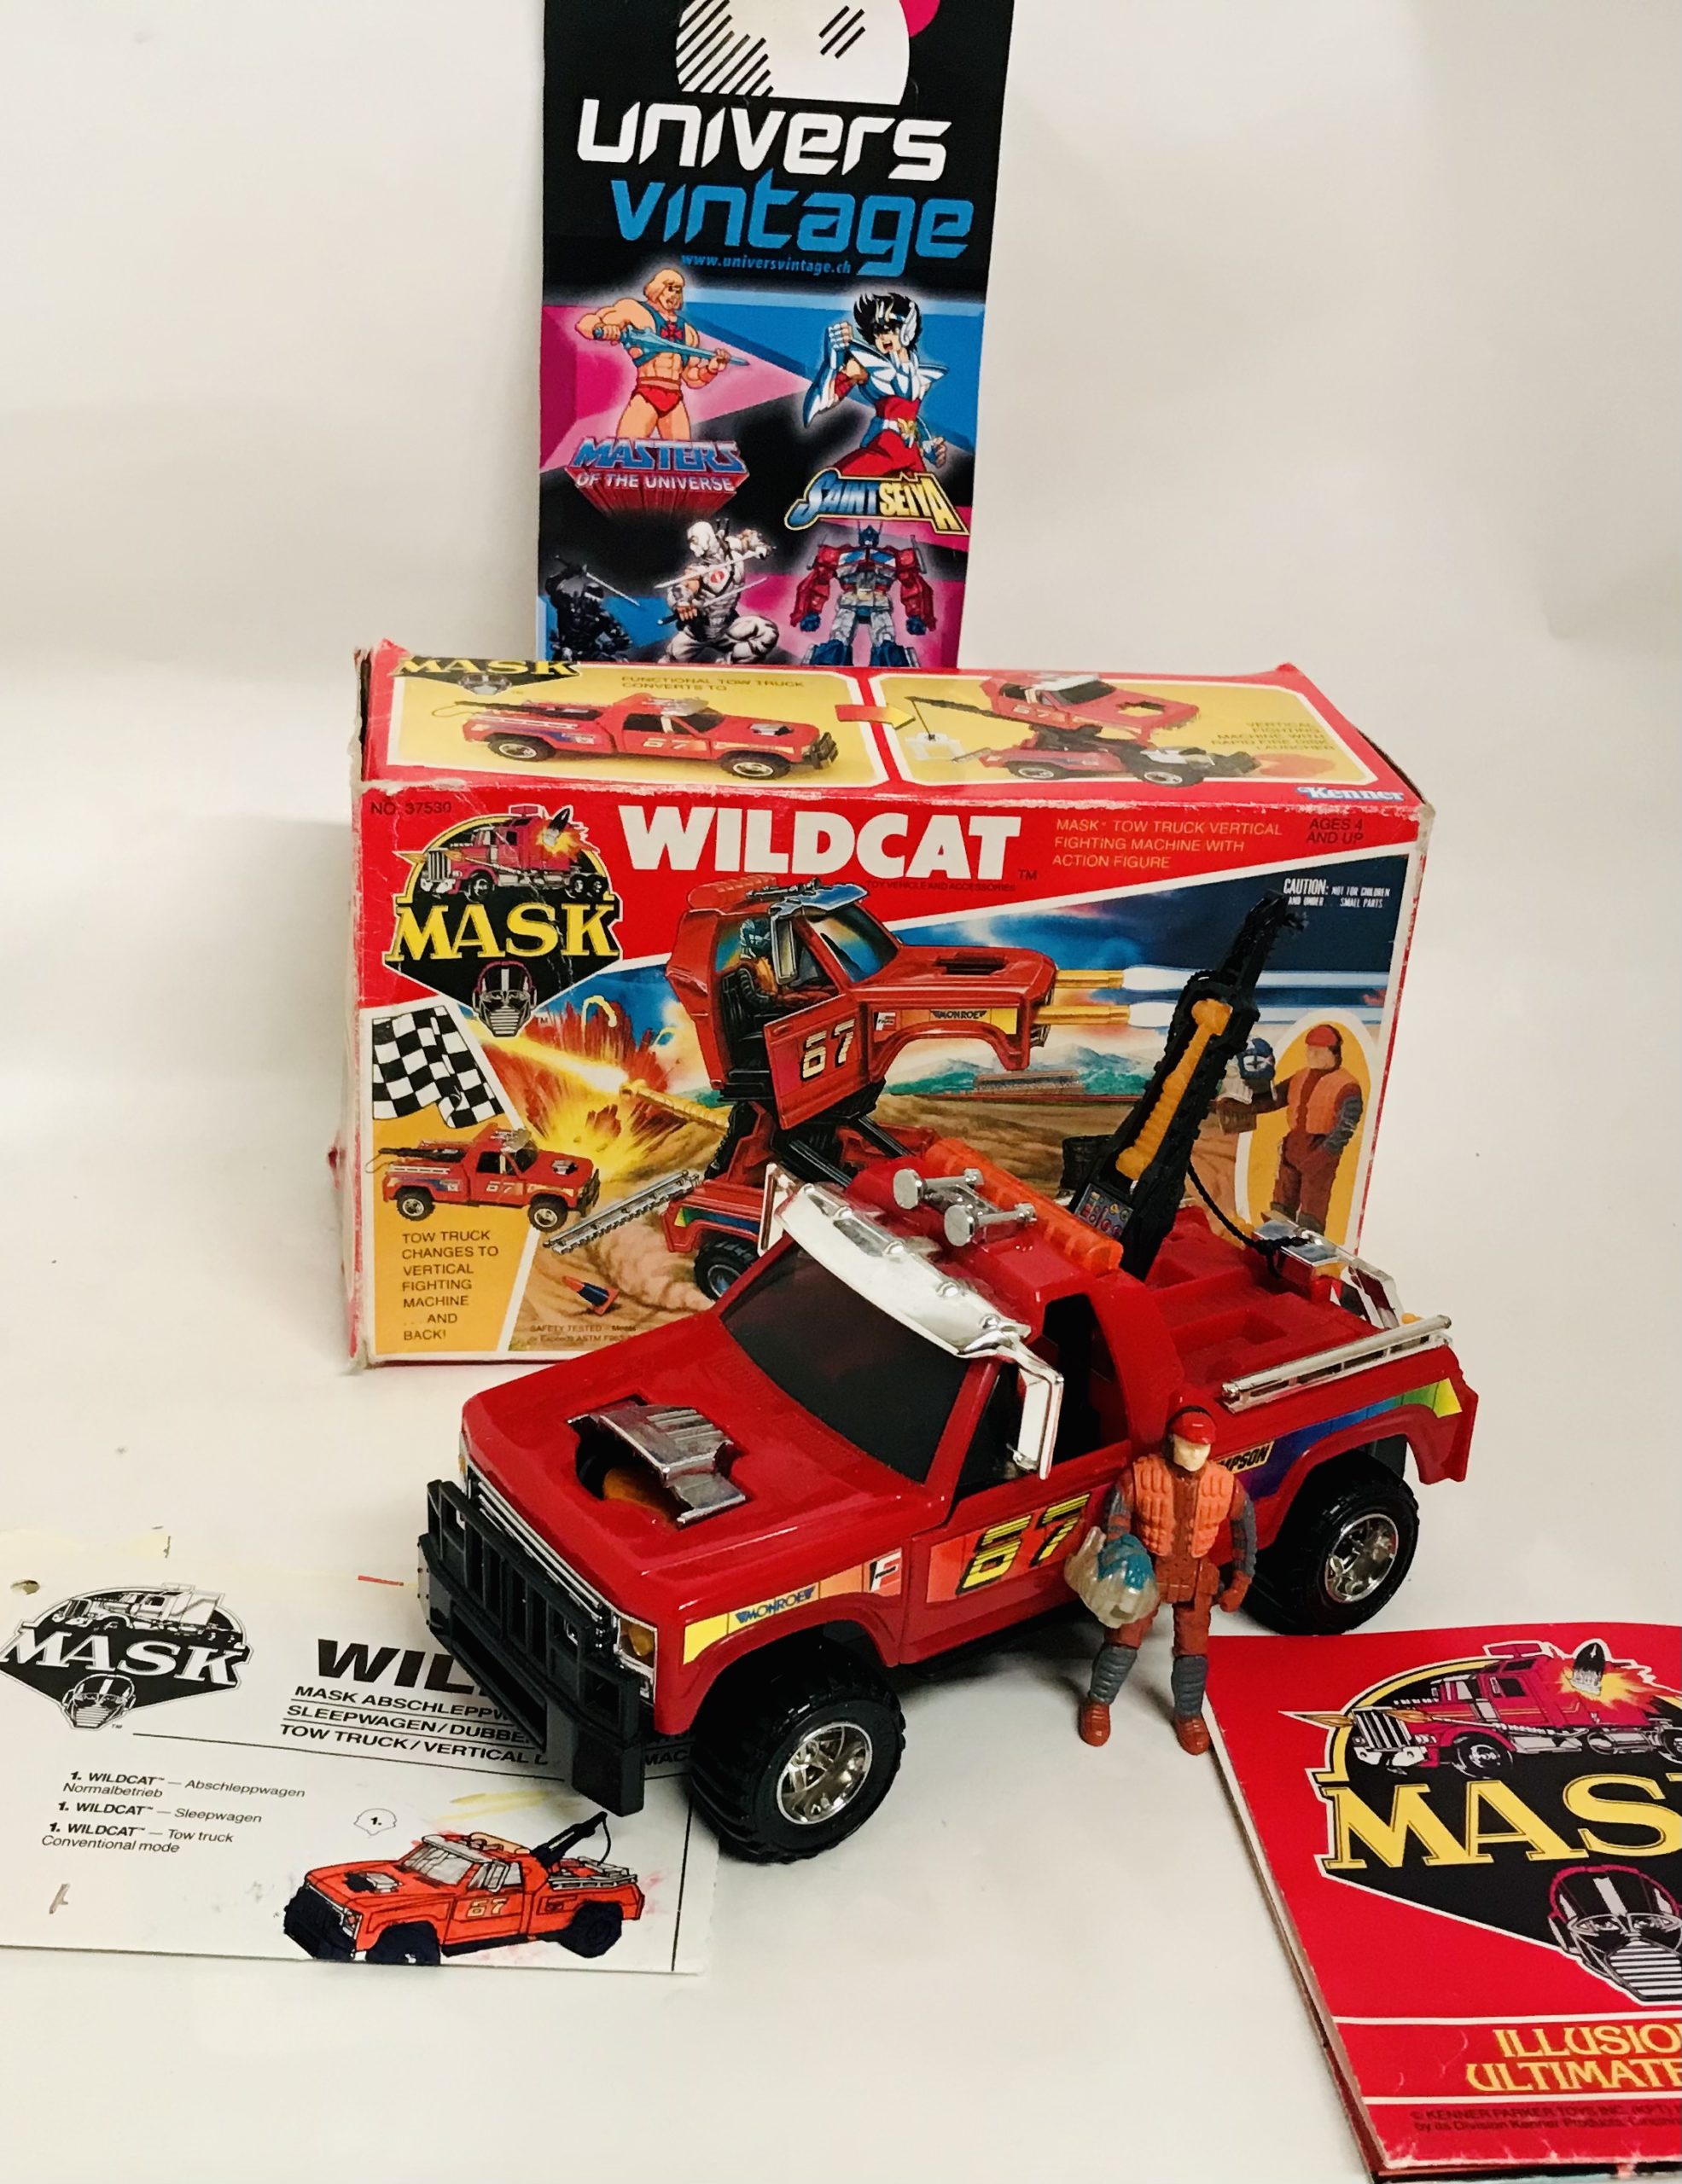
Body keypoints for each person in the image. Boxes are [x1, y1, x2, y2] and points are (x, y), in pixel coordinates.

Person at [1074, 1409, 1255, 1755]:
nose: (1195, 1454)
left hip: (1196, 1576)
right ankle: (1098, 1702)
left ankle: (1188, 1714)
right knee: (1122, 1643)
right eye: (1188, 1445)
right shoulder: (1143, 1476)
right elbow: (1116, 1520)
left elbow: (1245, 1532)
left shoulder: (1223, 1484)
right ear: (1171, 1441)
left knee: (1193, 1654)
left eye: (1202, 1447)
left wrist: (1241, 1581)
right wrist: (1120, 1563)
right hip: (1148, 1571)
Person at [1221, 1024, 1364, 1234]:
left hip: (1320, 1150)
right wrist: (1237, 1106)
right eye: (1309, 1050)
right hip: (1292, 1147)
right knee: (1281, 1205)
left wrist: (1322, 1156)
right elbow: (1273, 1100)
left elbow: (1345, 1129)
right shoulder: (1301, 1076)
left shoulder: (1348, 1086)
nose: (1310, 1055)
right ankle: (1273, 1241)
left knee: (1312, 1209)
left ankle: (1307, 1246)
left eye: (1317, 1051)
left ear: (1333, 1053)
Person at [802, 292, 946, 478]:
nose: (883, 336)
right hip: (883, 447)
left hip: (911, 456)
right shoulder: (865, 366)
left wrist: (928, 446)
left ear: (908, 329)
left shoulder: (921, 377)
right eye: (877, 330)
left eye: (891, 328)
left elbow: (909, 418)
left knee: (927, 495)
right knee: (832, 483)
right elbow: (823, 400)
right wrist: (832, 362)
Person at [577, 268, 730, 441]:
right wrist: (602, 329)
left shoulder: (688, 332)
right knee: (626, 449)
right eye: (670, 288)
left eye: (678, 290)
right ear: (657, 288)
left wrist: (711, 369)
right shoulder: (635, 311)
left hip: (675, 399)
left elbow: (692, 378)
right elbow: (585, 324)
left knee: (682, 454)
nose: (674, 295)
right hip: (646, 394)